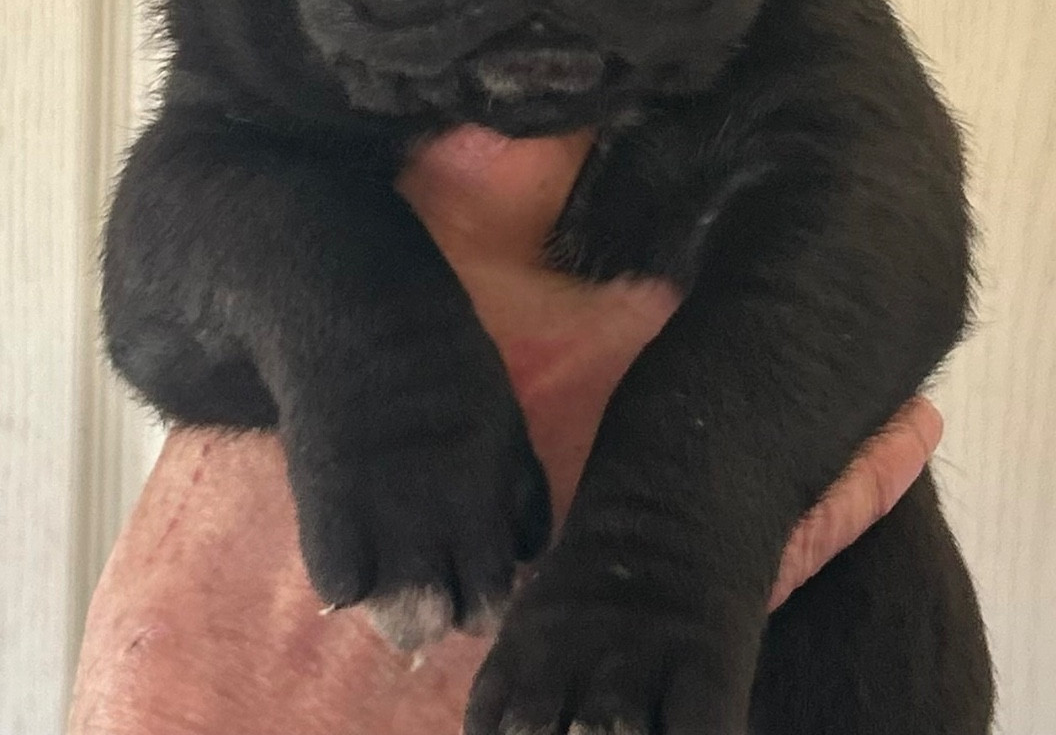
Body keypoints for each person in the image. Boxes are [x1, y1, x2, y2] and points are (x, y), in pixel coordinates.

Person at [69, 128, 942, 735]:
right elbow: (167, 280)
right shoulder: (261, 56)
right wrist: (389, 380)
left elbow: (881, 229)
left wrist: (650, 558)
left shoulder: (786, 27)